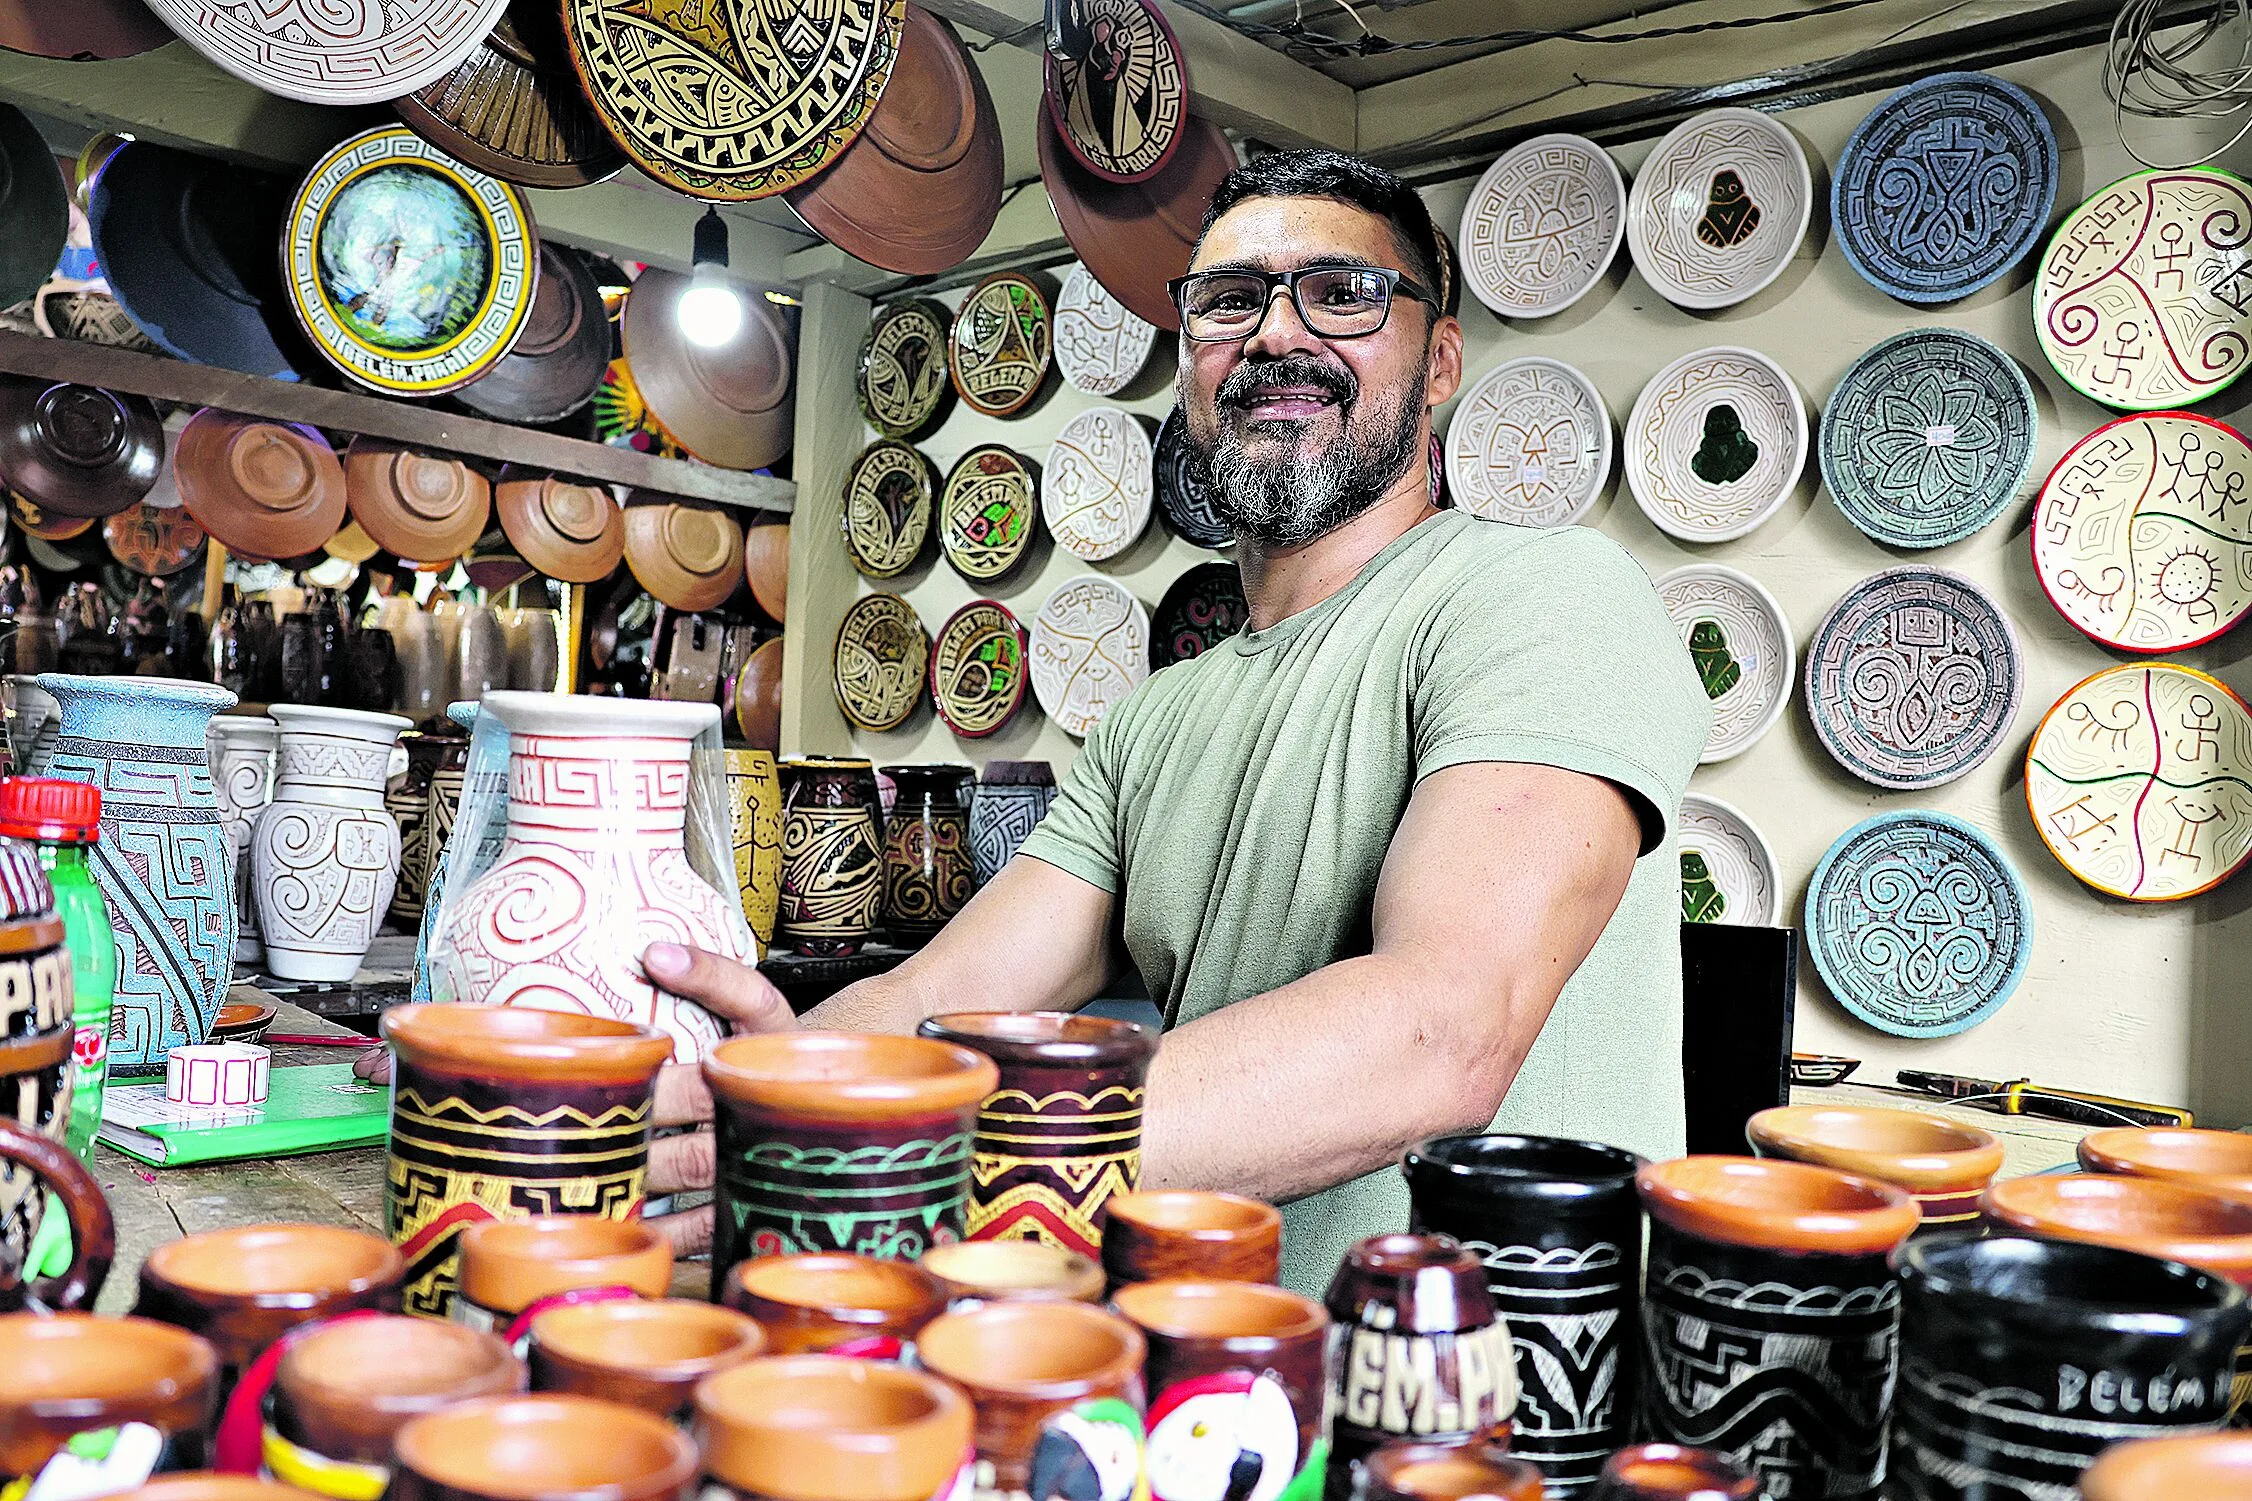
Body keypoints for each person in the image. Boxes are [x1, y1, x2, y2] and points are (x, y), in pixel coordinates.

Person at [587, 151, 1707, 1292]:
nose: (1275, 334)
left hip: (1486, 1430)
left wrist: (909, 1148)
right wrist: (793, 1077)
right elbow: (935, 996)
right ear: (1187, 368)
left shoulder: (1547, 592)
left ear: (1439, 365)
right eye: (1228, 301)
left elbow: (1440, 1033)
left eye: (1342, 294)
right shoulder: (1152, 723)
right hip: (1211, 1404)